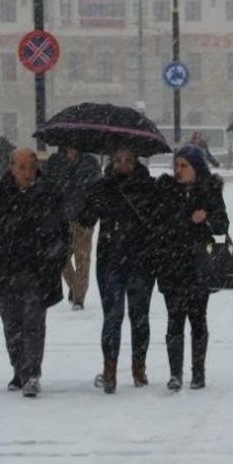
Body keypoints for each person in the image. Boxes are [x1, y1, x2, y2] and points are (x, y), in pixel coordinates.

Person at [0, 147, 69, 398]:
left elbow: (60, 231)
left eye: (30, 167)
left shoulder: (48, 194)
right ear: (11, 167)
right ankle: (19, 369)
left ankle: (32, 373)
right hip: (4, 270)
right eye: (21, 167)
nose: (26, 173)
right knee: (12, 324)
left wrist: (55, 258)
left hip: (36, 270)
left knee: (33, 322)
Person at [77, 146, 159, 393]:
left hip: (141, 259)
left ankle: (138, 368)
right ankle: (110, 370)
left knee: (139, 316)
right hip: (111, 259)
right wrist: (92, 196)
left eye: (128, 161)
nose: (122, 165)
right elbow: (85, 219)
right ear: (111, 162)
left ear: (136, 162)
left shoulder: (148, 187)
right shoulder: (103, 187)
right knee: (112, 316)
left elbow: (158, 218)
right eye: (118, 160)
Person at [151, 145, 229, 390]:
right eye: (176, 165)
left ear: (196, 168)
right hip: (171, 262)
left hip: (198, 264)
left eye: (184, 166)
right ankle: (175, 373)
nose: (178, 170)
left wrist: (206, 217)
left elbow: (222, 224)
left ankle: (198, 372)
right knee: (174, 319)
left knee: (197, 318)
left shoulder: (209, 191)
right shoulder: (165, 190)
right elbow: (156, 221)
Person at [43, 145, 102, 310]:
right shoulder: (54, 162)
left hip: (83, 218)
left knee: (82, 259)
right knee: (59, 257)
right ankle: (76, 287)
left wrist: (91, 214)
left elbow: (98, 191)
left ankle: (78, 298)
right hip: (61, 219)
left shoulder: (89, 162)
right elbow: (48, 188)